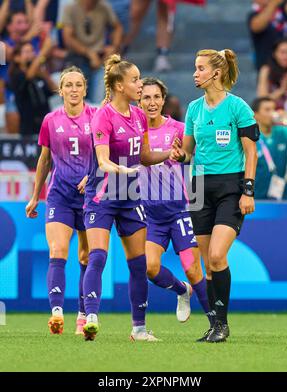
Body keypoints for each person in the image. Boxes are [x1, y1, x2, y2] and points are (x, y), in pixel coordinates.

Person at [170, 49, 260, 343]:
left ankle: (222, 324)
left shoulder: (238, 108)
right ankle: (215, 325)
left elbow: (251, 152)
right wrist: (178, 154)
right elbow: (187, 153)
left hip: (230, 187)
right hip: (197, 187)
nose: (195, 73)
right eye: (195, 68)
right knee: (208, 262)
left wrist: (248, 190)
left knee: (218, 255)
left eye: (200, 68)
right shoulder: (194, 109)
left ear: (216, 73)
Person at [82, 54, 172, 341]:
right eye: (135, 79)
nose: (140, 84)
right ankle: (91, 317)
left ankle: (139, 329)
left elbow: (144, 156)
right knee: (97, 256)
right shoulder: (102, 116)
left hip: (131, 197)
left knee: (138, 264)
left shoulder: (139, 116)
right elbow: (103, 160)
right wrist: (122, 170)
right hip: (103, 196)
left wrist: (169, 154)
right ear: (120, 86)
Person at [139, 77, 214, 333]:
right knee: (150, 268)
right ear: (139, 101)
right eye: (146, 97)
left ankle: (216, 324)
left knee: (193, 269)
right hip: (150, 213)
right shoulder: (134, 131)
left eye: (156, 97)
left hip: (179, 209)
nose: (152, 102)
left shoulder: (178, 128)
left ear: (164, 100)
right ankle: (182, 291)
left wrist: (184, 155)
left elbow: (194, 154)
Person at [25, 66, 97, 335]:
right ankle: (56, 313)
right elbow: (44, 159)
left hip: (90, 197)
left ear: (85, 89)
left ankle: (81, 315)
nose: (74, 89)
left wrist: (93, 177)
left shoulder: (97, 117)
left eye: (79, 85)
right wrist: (35, 196)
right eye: (69, 85)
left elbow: (104, 155)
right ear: (61, 89)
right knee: (57, 251)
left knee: (86, 256)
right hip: (60, 195)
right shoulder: (50, 120)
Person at [62, 0, 123, 104]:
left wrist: (114, 47)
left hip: (100, 58)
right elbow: (67, 38)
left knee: (98, 102)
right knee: (76, 101)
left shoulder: (104, 7)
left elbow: (117, 27)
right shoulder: (71, 8)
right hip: (77, 59)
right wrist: (88, 53)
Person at [252, 96, 287, 200]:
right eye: (267, 110)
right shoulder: (249, 137)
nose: (272, 113)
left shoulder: (284, 132)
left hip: (281, 197)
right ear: (255, 115)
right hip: (256, 197)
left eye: (274, 109)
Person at [8, 37, 56, 135]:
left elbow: (55, 90)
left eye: (32, 51)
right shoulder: (16, 75)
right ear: (17, 58)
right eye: (26, 52)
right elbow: (28, 76)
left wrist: (44, 75)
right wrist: (43, 52)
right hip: (28, 130)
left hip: (45, 128)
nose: (31, 55)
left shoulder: (37, 75)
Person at [248, 0, 287, 70]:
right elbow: (256, 26)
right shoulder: (254, 15)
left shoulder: (284, 10)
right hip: (270, 70)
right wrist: (274, 3)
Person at [257, 38, 287, 110]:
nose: (286, 56)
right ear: (274, 54)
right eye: (282, 52)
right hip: (272, 112)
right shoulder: (266, 70)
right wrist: (281, 90)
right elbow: (262, 100)